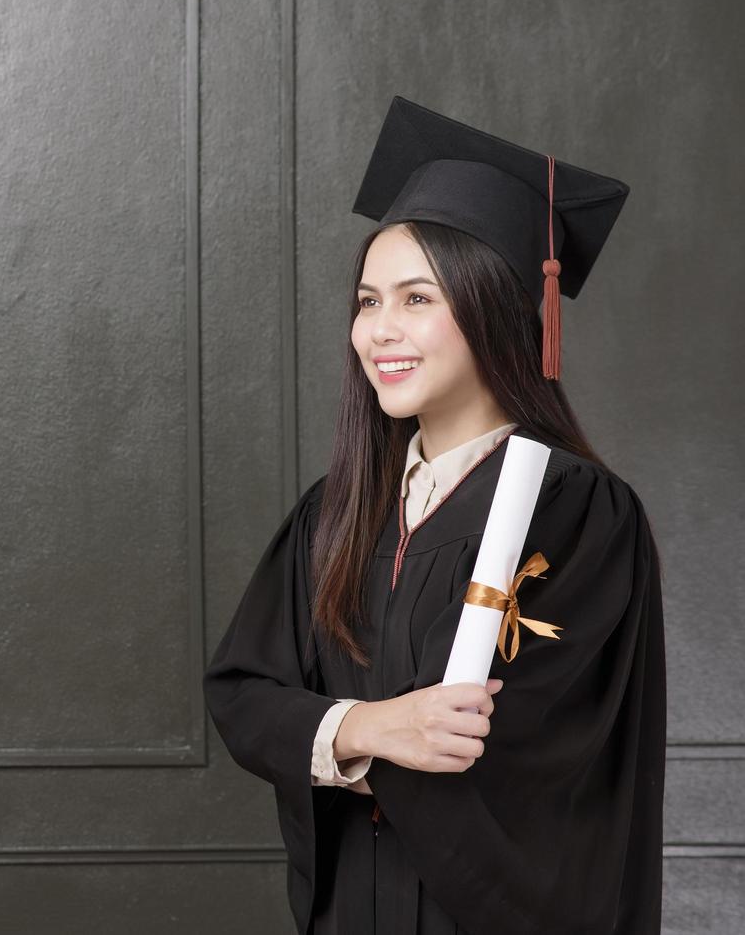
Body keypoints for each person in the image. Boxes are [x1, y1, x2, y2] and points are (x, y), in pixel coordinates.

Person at [203, 96, 665, 934]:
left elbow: (530, 750)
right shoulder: (335, 510)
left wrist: (334, 741)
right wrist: (378, 727)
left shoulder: (580, 512)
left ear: (494, 307)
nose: (381, 330)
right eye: (368, 300)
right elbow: (242, 695)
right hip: (350, 909)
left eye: (417, 298)